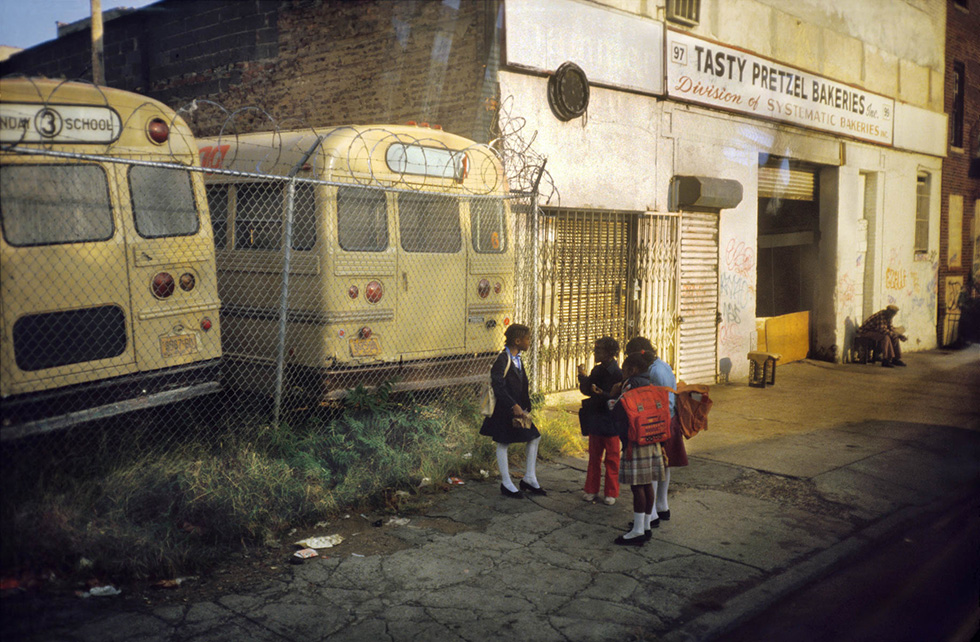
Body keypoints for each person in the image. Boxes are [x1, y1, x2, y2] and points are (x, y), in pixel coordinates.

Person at [623, 337, 688, 529]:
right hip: (668, 419)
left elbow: (656, 400)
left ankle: (651, 515)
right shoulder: (663, 365)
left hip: (660, 423)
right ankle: (662, 506)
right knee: (662, 465)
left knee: (651, 468)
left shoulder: (653, 371)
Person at [479, 323, 545, 499]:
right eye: (527, 339)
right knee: (503, 443)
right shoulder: (503, 359)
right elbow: (498, 386)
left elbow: (522, 385)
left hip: (518, 410)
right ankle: (506, 482)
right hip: (504, 411)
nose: (529, 342)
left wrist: (524, 406)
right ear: (517, 340)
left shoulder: (518, 358)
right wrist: (513, 405)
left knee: (534, 437)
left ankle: (529, 478)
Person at [610, 352, 666, 546]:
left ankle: (637, 531)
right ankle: (646, 525)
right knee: (648, 484)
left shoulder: (630, 386)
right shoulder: (650, 385)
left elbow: (619, 413)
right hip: (652, 439)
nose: (622, 373)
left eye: (624, 370)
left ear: (632, 370)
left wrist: (612, 398)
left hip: (636, 441)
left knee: (637, 487)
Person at [577, 336, 623, 505]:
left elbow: (615, 399)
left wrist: (602, 394)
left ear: (610, 353)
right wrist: (582, 377)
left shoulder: (618, 373)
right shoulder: (597, 370)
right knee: (594, 457)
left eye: (599, 350)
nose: (595, 353)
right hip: (596, 419)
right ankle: (591, 489)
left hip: (610, 422)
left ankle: (611, 492)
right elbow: (588, 390)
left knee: (612, 459)